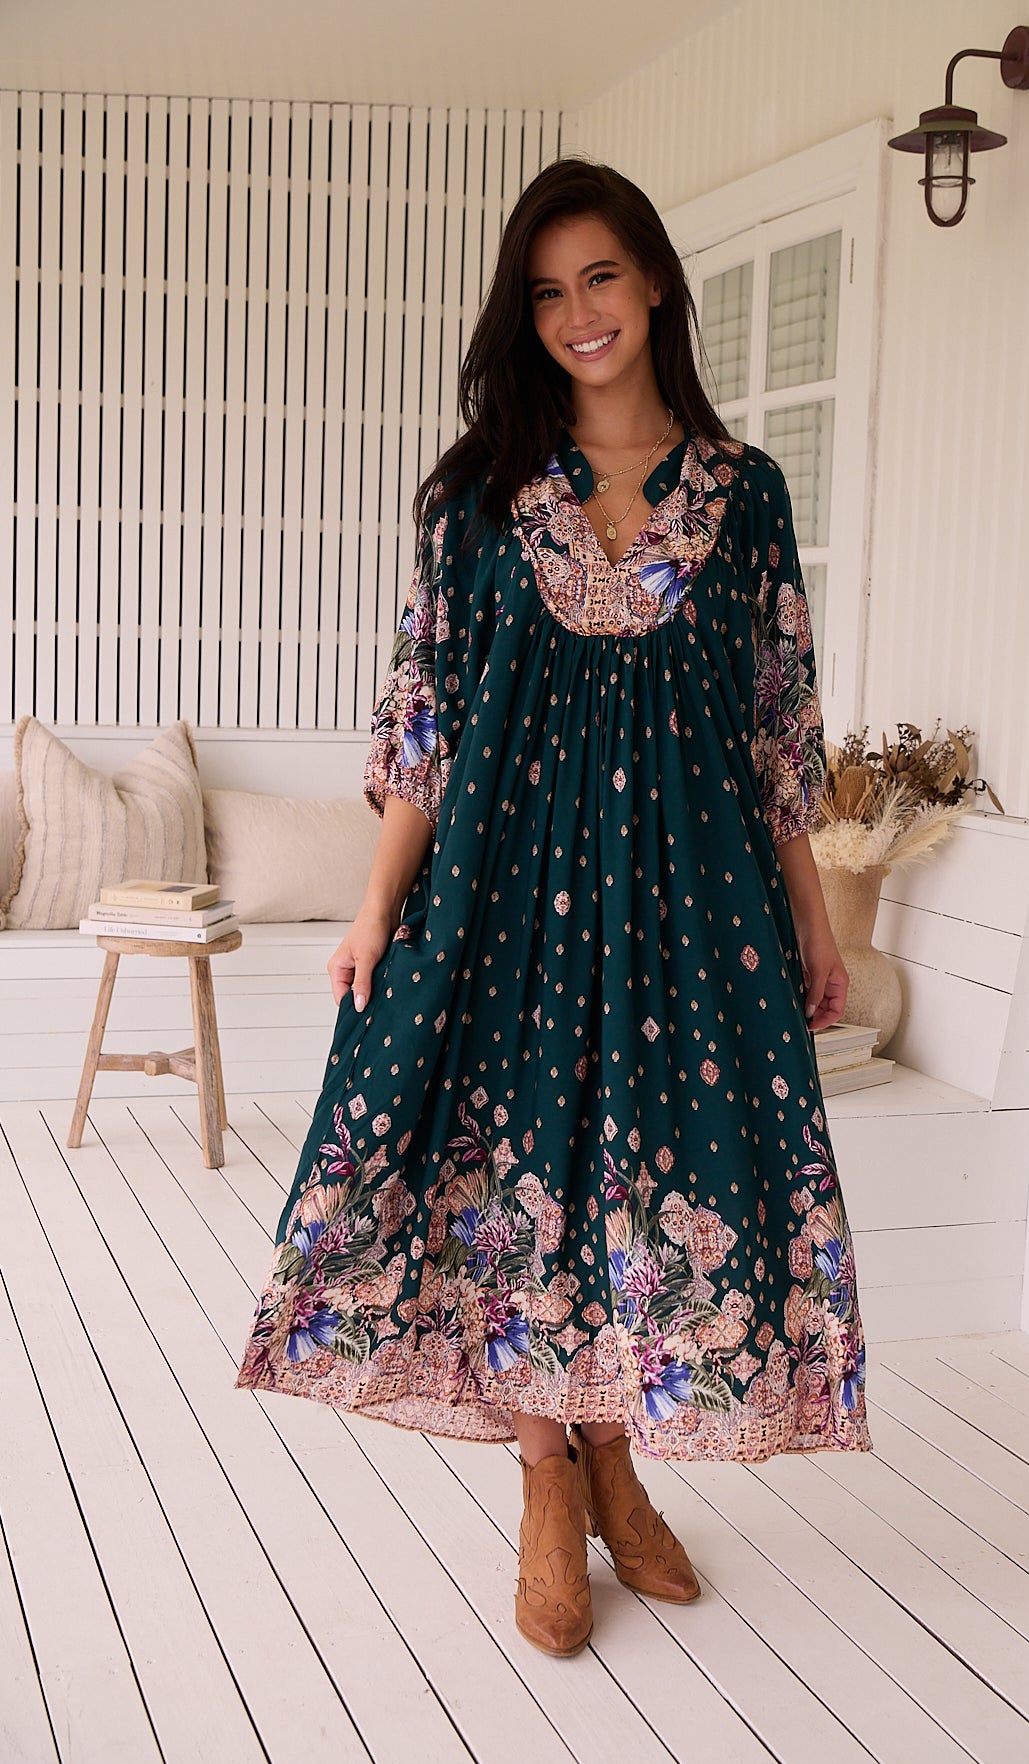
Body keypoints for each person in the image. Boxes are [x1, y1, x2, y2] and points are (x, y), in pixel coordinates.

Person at [234, 156, 873, 1659]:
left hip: (694, 907)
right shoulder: (476, 502)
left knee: (648, 1190)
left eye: (600, 277)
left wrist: (818, 923)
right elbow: (424, 725)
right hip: (505, 899)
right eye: (547, 291)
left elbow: (780, 730)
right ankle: (545, 1479)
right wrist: (376, 914)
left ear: (654, 282)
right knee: (514, 1191)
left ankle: (620, 1461)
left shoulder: (749, 495)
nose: (578, 313)